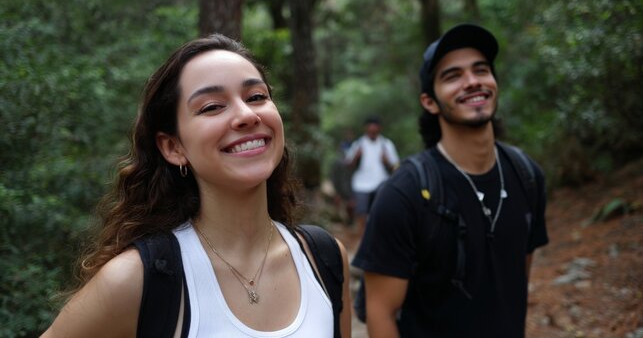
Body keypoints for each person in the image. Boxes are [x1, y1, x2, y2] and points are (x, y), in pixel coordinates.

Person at [43, 34, 351, 337]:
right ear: (173, 147)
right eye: (212, 107)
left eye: (256, 97)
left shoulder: (324, 259)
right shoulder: (139, 279)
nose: (246, 115)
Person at [351, 24, 549, 337]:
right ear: (429, 101)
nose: (472, 82)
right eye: (453, 76)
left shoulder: (527, 175)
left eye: (481, 70)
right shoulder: (404, 194)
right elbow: (380, 314)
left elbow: (515, 285)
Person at [344, 116, 399, 235]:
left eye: (375, 128)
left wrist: (387, 161)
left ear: (379, 128)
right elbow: (348, 164)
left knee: (380, 210)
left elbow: (395, 166)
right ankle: (363, 237)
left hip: (381, 181)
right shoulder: (359, 144)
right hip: (361, 183)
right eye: (370, 128)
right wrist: (356, 157)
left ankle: (377, 235)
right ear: (366, 128)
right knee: (361, 212)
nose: (373, 131)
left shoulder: (386, 144)